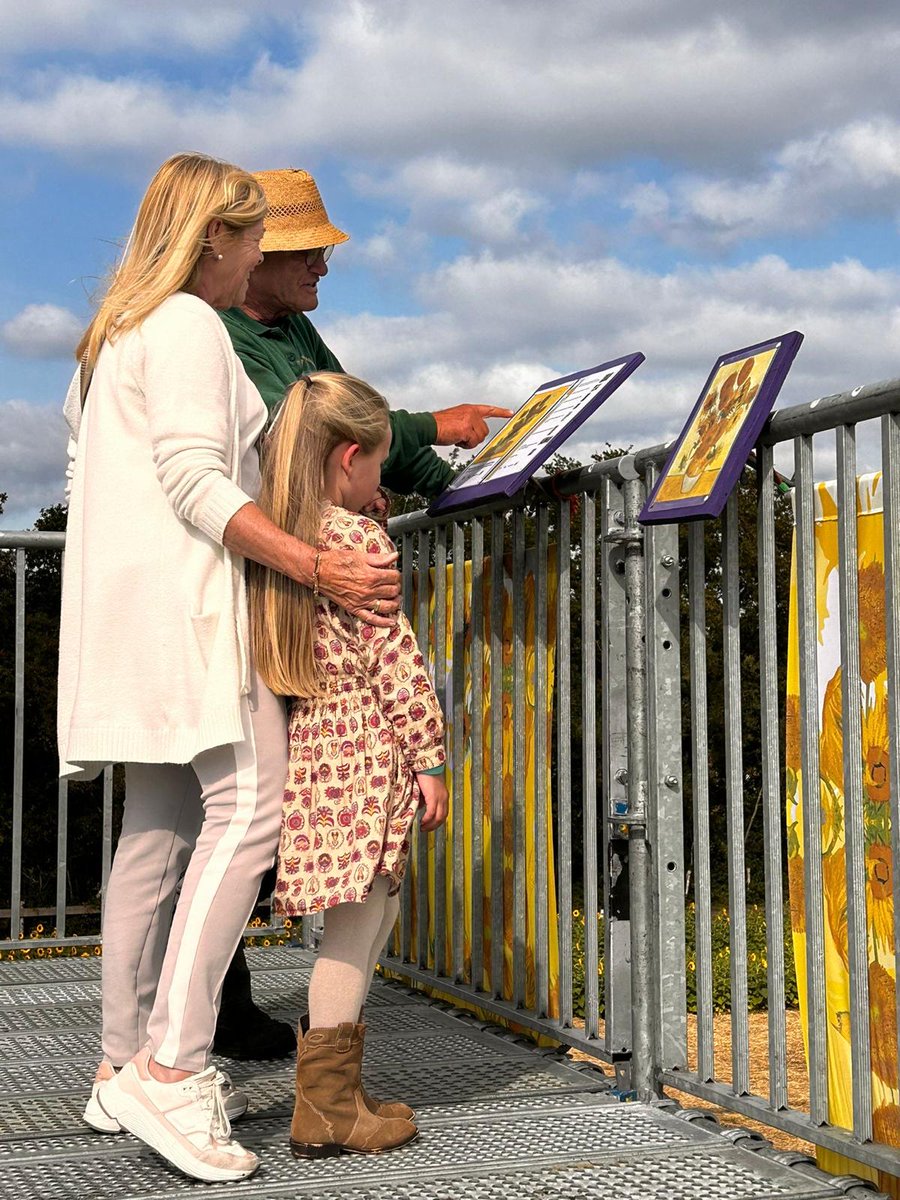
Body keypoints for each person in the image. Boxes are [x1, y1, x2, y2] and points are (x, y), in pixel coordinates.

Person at [57, 152, 401, 1184]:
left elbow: (99, 479)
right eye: (252, 238)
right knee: (252, 809)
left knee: (155, 833)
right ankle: (172, 1070)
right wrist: (315, 563)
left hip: (121, 618)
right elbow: (194, 477)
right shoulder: (191, 326)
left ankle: (121, 1062)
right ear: (216, 238)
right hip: (196, 611)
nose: (258, 259)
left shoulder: (106, 340)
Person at [215, 166, 510, 1058]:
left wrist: (492, 486)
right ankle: (230, 1036)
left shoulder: (296, 329)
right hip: (267, 590)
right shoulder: (219, 338)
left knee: (253, 831)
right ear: (254, 252)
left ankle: (231, 1029)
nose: (322, 271)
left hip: (296, 605)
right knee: (233, 827)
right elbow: (304, 436)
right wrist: (440, 427)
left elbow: (357, 433)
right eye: (308, 253)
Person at [249, 371, 448, 1157]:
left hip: (320, 750)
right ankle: (327, 1109)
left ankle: (340, 1094)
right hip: (369, 750)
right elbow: (393, 659)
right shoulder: (358, 542)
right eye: (378, 466)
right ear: (348, 459)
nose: (381, 481)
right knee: (357, 925)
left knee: (367, 916)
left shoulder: (288, 535)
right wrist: (428, 757)